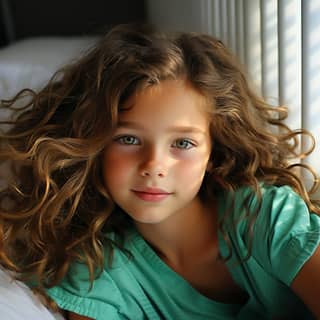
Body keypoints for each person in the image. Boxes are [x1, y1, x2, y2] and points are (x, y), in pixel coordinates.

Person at [0, 23, 319, 320]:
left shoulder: (266, 217)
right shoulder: (95, 273)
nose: (153, 165)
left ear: (214, 150)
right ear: (94, 145)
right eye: (128, 139)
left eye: (182, 142)